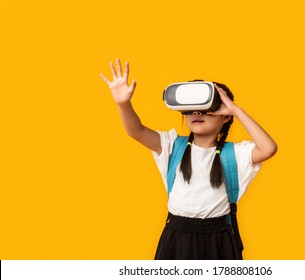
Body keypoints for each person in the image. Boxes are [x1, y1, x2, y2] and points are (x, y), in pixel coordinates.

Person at [100, 58, 277, 260]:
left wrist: (235, 109)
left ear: (225, 116)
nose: (196, 112)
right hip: (176, 238)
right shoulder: (172, 145)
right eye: (191, 108)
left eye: (206, 108)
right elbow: (136, 131)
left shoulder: (236, 154)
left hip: (219, 241)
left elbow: (269, 148)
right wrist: (124, 104)